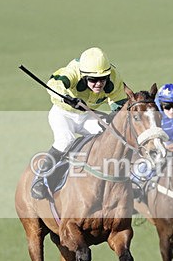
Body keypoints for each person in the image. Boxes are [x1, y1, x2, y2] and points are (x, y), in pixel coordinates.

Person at [31, 46, 128, 199]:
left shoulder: (114, 78)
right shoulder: (73, 71)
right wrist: (67, 97)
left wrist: (114, 116)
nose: (99, 84)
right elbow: (54, 84)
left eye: (103, 78)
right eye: (93, 80)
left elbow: (119, 101)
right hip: (63, 114)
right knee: (65, 141)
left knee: (111, 137)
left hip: (87, 116)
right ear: (83, 76)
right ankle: (40, 179)